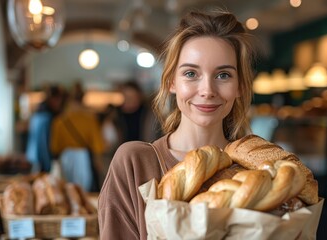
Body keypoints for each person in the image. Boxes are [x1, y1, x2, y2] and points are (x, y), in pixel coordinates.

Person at [98, 9, 256, 239]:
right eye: (191, 73)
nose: (207, 91)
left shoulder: (257, 172)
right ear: (172, 81)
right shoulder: (135, 163)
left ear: (240, 86)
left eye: (223, 75)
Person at [50, 82, 106, 192]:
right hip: (82, 157)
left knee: (66, 191)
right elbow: (97, 145)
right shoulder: (90, 119)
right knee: (82, 191)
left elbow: (54, 147)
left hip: (65, 157)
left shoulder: (59, 121)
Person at [25, 84, 66, 173]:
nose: (59, 103)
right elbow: (44, 144)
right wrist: (47, 166)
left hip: (33, 158)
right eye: (58, 100)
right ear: (52, 99)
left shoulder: (38, 113)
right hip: (41, 161)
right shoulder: (46, 118)